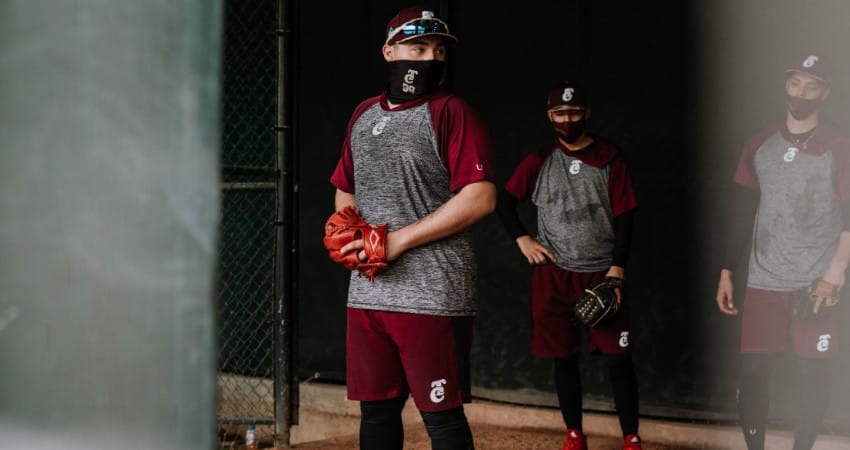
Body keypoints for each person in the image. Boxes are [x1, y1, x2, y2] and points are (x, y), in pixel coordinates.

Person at [327, 5, 496, 450]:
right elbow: (346, 185)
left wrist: (398, 240)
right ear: (389, 51)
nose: (428, 59)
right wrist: (350, 232)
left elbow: (481, 196)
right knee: (376, 413)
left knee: (440, 417)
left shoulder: (452, 112)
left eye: (438, 51)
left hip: (433, 289)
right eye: (417, 48)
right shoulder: (363, 114)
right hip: (369, 288)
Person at [495, 81, 641, 450]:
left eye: (574, 112)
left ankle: (631, 436)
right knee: (563, 359)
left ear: (587, 114)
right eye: (560, 113)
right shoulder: (538, 161)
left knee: (618, 360)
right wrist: (523, 239)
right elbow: (504, 202)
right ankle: (574, 433)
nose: (568, 119)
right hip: (555, 275)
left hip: (601, 274)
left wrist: (618, 268)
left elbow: (626, 215)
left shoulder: (611, 158)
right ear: (550, 116)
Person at [715, 52, 850, 450]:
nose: (801, 93)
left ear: (824, 93)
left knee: (813, 374)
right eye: (795, 84)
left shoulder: (839, 145)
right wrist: (727, 269)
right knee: (754, 370)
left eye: (811, 86)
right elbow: (743, 210)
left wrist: (834, 275)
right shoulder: (760, 144)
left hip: (816, 282)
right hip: (765, 279)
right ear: (784, 86)